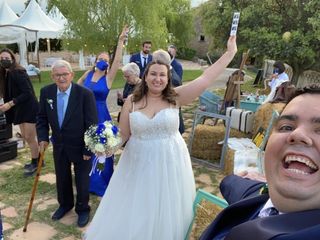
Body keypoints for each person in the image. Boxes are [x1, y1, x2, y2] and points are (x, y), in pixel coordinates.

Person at [84, 36, 237, 240]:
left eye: (162, 75)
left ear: (168, 78)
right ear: (145, 76)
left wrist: (229, 53)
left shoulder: (175, 98)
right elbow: (123, 135)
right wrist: (105, 148)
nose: (158, 78)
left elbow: (205, 78)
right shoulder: (132, 101)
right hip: (137, 163)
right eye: (153, 74)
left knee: (168, 209)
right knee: (137, 208)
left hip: (170, 162)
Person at [201, 83, 320, 240]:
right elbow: (230, 183)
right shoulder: (257, 194)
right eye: (286, 127)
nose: (297, 134)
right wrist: (265, 182)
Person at [37, 60, 98, 228]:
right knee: (62, 177)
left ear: (71, 75)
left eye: (65, 74)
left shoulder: (85, 94)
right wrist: (42, 137)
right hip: (60, 145)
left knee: (82, 180)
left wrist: (88, 148)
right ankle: (65, 205)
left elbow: (92, 124)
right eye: (57, 75)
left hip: (81, 146)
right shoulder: (46, 92)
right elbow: (41, 118)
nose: (61, 78)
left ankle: (83, 209)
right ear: (52, 76)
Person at [77, 26, 128, 197]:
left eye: (106, 60)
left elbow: (117, 62)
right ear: (95, 60)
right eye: (101, 58)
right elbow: (76, 88)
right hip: (84, 114)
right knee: (85, 148)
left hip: (100, 115)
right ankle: (85, 178)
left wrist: (120, 41)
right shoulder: (87, 75)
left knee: (100, 150)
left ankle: (99, 179)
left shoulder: (109, 77)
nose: (103, 61)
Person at [0, 48, 40, 176]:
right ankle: (37, 159)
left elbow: (27, 93)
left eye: (6, 58)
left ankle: (36, 162)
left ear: (12, 59)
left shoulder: (18, 72)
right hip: (20, 108)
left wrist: (10, 103)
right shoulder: (6, 73)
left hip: (28, 107)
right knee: (25, 136)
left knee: (29, 137)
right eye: (1, 59)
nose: (4, 61)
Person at [152, 49, 185, 134]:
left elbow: (168, 103)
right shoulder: (169, 74)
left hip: (171, 126)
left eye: (153, 61)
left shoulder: (173, 80)